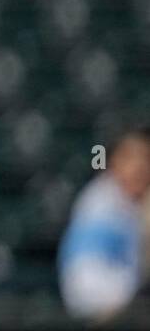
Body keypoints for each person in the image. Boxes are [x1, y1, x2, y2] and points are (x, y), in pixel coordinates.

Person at [58, 128, 150, 321]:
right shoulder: (101, 204)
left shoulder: (133, 202)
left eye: (146, 158)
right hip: (108, 316)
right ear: (113, 161)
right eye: (131, 157)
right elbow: (83, 283)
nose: (140, 166)